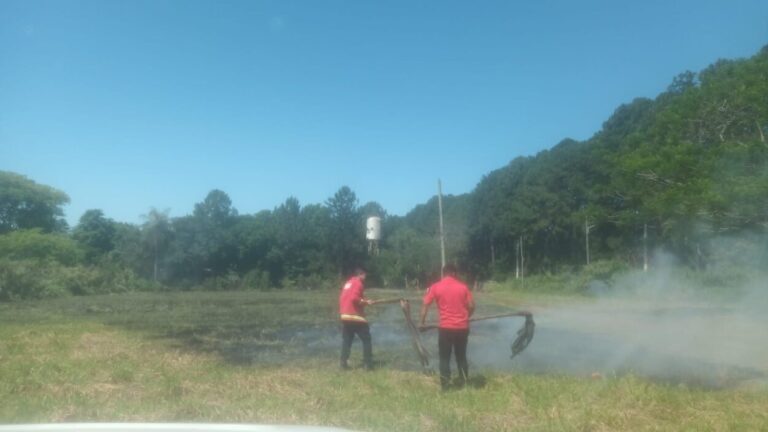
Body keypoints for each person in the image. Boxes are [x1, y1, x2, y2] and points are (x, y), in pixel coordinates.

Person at [419, 264, 475, 389]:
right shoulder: (463, 287)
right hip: (462, 328)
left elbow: (425, 305)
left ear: (443, 274)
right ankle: (464, 382)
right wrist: (467, 317)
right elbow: (471, 306)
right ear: (454, 273)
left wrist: (422, 323)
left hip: (445, 329)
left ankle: (445, 385)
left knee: (444, 358)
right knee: (461, 356)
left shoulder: (435, 287)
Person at [338, 267, 375, 370]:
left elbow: (347, 297)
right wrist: (365, 302)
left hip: (345, 315)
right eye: (365, 275)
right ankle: (368, 365)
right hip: (355, 316)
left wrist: (366, 301)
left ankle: (343, 363)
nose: (365, 278)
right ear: (361, 275)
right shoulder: (358, 283)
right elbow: (354, 298)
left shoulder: (348, 283)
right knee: (366, 339)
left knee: (347, 340)